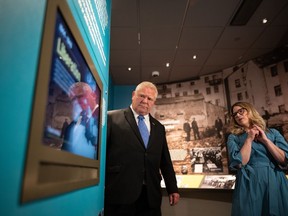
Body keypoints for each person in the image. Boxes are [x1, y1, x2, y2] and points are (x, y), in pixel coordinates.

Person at [105, 81, 180, 216]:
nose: (145, 101)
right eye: (142, 96)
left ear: (153, 102)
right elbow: (101, 154)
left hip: (150, 196)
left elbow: (165, 161)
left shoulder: (159, 128)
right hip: (120, 194)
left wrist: (172, 188)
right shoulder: (111, 118)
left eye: (149, 98)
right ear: (133, 95)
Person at [227, 101, 288, 216]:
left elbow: (283, 160)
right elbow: (241, 162)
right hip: (250, 183)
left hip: (275, 180)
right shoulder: (234, 138)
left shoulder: (273, 133)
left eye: (241, 111)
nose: (238, 116)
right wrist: (249, 138)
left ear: (250, 111)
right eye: (235, 115)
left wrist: (266, 141)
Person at [61, 82, 99, 159]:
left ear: (93, 95)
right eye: (73, 99)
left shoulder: (105, 119)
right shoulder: (72, 125)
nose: (77, 101)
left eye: (81, 96)